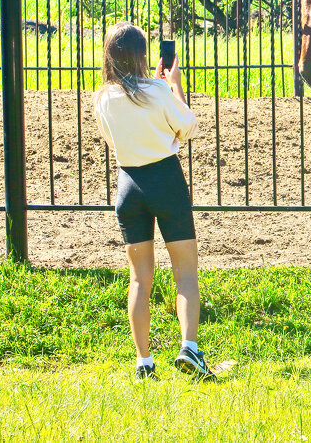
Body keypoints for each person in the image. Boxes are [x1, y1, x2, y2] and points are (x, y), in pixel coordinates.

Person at [93, 21, 214, 382]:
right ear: (144, 56)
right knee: (186, 273)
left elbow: (112, 141)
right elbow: (188, 126)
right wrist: (173, 86)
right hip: (165, 179)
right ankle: (189, 347)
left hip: (128, 184)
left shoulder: (101, 98)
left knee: (138, 278)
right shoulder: (159, 90)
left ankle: (143, 361)